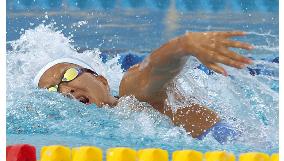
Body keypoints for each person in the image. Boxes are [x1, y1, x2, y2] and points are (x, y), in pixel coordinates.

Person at [34, 31, 253, 143]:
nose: (65, 90)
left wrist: (185, 45)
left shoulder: (133, 95)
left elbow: (154, 70)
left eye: (68, 75)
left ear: (101, 80)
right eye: (53, 91)